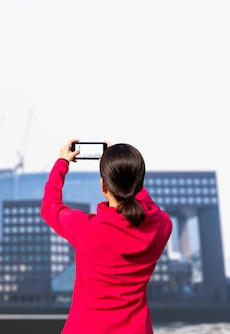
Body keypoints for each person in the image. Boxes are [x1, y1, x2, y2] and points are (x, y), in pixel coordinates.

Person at [41, 139, 173, 334]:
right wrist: (124, 169)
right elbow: (149, 206)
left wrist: (62, 162)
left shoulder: (85, 229)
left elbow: (49, 207)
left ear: (103, 187)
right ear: (139, 184)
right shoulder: (162, 226)